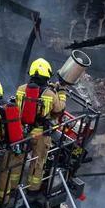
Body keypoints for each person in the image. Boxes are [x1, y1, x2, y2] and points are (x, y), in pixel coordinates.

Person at [15, 58, 66, 191]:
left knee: (17, 160)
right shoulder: (49, 94)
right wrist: (61, 93)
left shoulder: (21, 89)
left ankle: (12, 187)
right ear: (47, 75)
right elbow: (58, 110)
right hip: (41, 133)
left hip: (21, 131)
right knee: (38, 161)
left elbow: (16, 108)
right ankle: (32, 189)